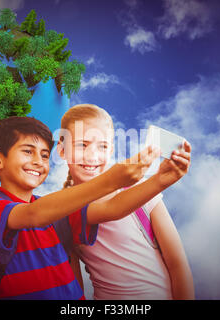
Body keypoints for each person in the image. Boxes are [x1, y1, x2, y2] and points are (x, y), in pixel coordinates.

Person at [0, 116, 187, 300]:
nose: (38, 161)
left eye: (45, 155)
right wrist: (111, 180)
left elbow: (113, 208)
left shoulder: (58, 208)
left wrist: (160, 181)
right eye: (28, 151)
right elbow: (33, 215)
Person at [57, 104, 195, 300]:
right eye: (82, 145)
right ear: (62, 150)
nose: (92, 156)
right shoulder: (62, 209)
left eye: (102, 146)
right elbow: (74, 287)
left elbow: (178, 264)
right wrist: (159, 181)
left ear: (111, 149)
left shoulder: (141, 192)